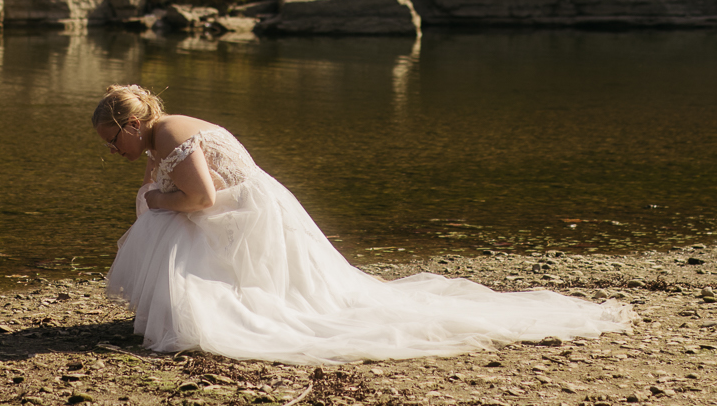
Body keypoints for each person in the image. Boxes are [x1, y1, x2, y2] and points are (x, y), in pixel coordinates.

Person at [92, 84, 631, 364]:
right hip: (242, 207)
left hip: (246, 211)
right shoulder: (159, 137)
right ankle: (187, 311)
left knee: (171, 219)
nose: (113, 152)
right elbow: (160, 191)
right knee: (164, 219)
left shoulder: (168, 133)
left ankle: (197, 314)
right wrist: (156, 200)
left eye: (113, 141)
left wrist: (161, 204)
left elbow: (202, 198)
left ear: (134, 125)